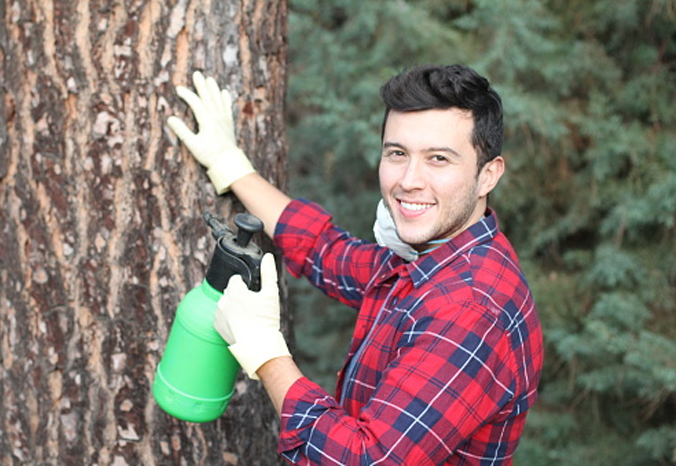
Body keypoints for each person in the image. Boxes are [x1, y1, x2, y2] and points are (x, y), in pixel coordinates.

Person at [167, 64, 544, 465]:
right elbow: (327, 252)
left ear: (488, 175)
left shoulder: (470, 310)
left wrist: (264, 352)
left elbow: (364, 459)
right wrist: (231, 166)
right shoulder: (430, 258)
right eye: (397, 154)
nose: (409, 180)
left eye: (438, 159)